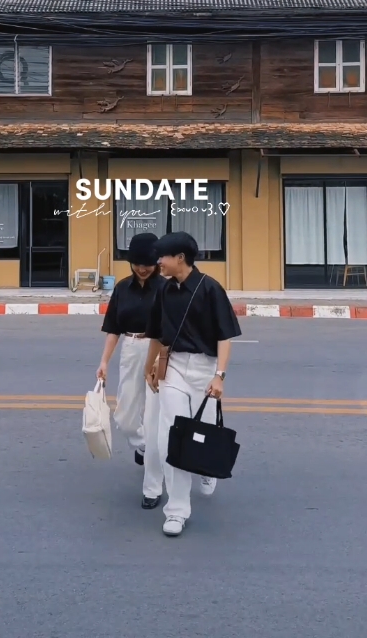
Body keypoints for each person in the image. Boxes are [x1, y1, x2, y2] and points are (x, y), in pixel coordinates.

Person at [144, 230, 242, 537]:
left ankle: (205, 466)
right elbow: (157, 333)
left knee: (203, 432)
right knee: (172, 437)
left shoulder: (210, 288)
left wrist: (219, 376)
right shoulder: (163, 290)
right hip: (174, 366)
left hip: (205, 367)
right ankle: (176, 511)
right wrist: (150, 367)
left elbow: (225, 336)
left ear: (180, 258)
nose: (158, 262)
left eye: (163, 256)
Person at [97, 232, 165, 509]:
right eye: (137, 263)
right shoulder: (122, 288)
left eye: (147, 263)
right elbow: (113, 328)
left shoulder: (167, 288)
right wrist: (104, 361)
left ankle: (153, 486)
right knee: (124, 416)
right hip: (131, 347)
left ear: (157, 262)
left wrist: (162, 358)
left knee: (154, 417)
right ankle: (144, 446)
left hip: (160, 350)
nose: (142, 268)